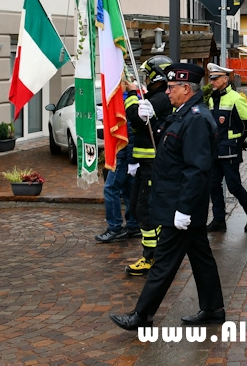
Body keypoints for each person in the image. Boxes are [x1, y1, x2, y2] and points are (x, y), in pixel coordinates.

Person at [110, 63, 225, 330]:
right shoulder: (182, 114)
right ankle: (213, 309)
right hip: (178, 202)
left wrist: (184, 209)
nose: (168, 92)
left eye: (172, 87)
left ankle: (142, 315)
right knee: (201, 258)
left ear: (186, 89)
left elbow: (196, 169)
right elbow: (168, 143)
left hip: (180, 205)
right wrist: (152, 120)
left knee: (163, 261)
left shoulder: (195, 118)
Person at [123, 55, 173, 276]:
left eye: (148, 74)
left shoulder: (161, 98)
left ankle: (152, 256)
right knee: (136, 207)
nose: (146, 79)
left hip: (154, 163)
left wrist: (132, 93)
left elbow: (134, 116)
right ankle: (159, 251)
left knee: (145, 209)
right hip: (145, 163)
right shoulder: (155, 96)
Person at [206, 63, 247, 233]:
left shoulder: (236, 98)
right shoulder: (212, 98)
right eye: (211, 78)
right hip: (214, 151)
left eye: (215, 79)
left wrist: (237, 141)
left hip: (229, 150)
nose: (212, 82)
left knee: (234, 186)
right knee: (213, 186)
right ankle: (219, 220)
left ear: (225, 79)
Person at [95, 120, 139, 242]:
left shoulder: (123, 103)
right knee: (128, 189)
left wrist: (131, 160)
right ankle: (133, 225)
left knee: (111, 189)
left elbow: (129, 134)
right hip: (122, 154)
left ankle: (115, 227)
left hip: (121, 155)